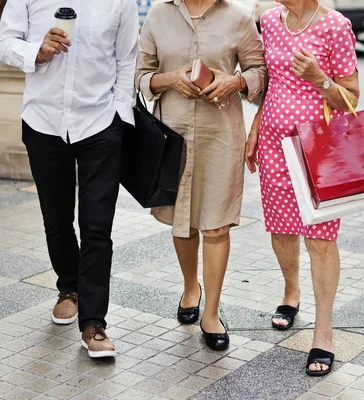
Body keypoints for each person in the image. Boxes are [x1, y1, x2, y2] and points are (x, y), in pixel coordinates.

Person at [0, 0, 139, 358]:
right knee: (56, 220)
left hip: (101, 122)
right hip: (43, 120)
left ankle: (94, 323)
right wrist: (37, 51)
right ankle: (69, 288)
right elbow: (4, 42)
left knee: (96, 226)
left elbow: (126, 58)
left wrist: (120, 115)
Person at [135, 0, 266, 351]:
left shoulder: (238, 17)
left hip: (221, 133)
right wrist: (169, 79)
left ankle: (211, 312)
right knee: (184, 219)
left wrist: (235, 81)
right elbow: (139, 74)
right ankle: (191, 287)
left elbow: (261, 72)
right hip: (171, 134)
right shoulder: (158, 15)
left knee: (216, 224)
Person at [246, 0, 360, 376]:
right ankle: (290, 293)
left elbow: (351, 99)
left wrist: (318, 77)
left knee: (320, 239)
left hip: (320, 148)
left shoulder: (335, 26)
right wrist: (255, 128)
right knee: (280, 230)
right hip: (274, 143)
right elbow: (273, 84)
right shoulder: (269, 20)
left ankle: (323, 333)